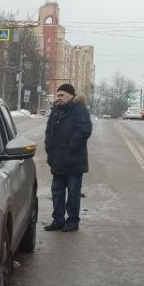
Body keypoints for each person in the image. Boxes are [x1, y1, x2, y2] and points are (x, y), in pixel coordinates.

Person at [44, 83, 92, 232]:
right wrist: (49, 148)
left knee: (73, 193)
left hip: (74, 160)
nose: (59, 98)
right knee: (57, 192)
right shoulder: (56, 110)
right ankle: (58, 220)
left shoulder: (79, 109)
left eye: (62, 95)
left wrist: (71, 147)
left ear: (71, 95)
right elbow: (49, 130)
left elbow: (84, 130)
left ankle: (72, 221)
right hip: (58, 160)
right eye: (58, 95)